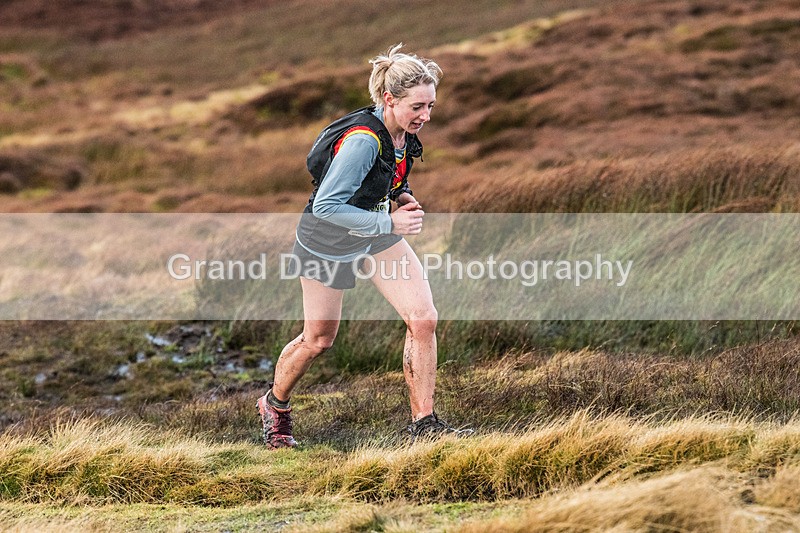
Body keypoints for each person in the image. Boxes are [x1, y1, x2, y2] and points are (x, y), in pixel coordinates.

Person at [256, 44, 472, 449]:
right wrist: (389, 219)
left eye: (430, 106)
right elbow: (326, 206)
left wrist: (399, 194)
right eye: (417, 107)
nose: (425, 116)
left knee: (423, 318)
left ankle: (424, 426)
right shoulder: (362, 140)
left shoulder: (400, 131)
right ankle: (274, 405)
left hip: (375, 234)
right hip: (328, 240)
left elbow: (388, 173)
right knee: (318, 340)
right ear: (389, 100)